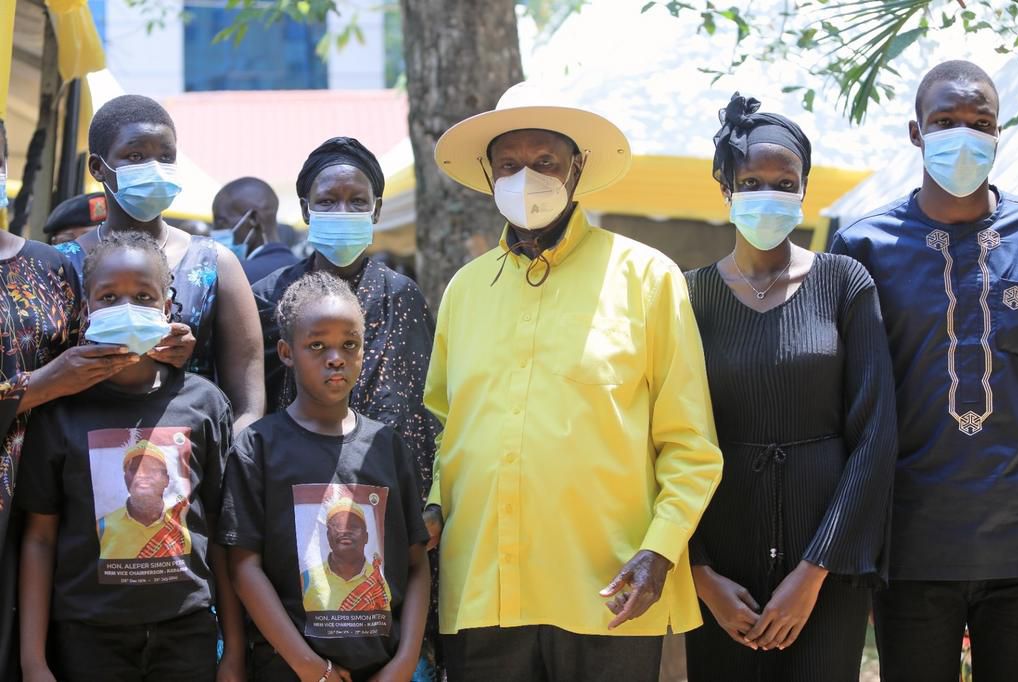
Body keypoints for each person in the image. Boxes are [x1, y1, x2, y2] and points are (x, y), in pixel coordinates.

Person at [424, 82, 722, 682]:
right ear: (488, 172)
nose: (525, 178)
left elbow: (691, 445)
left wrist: (661, 550)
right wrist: (432, 504)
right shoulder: (464, 290)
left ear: (577, 169)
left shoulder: (647, 279)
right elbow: (444, 428)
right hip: (484, 590)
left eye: (544, 163)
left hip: (610, 590)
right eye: (509, 165)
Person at [683, 93, 898, 682]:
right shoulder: (686, 296)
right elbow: (663, 438)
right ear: (725, 186)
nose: (769, 194)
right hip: (721, 570)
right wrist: (701, 575)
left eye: (786, 181)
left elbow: (875, 435)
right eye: (752, 180)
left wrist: (814, 572)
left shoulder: (844, 281)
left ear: (805, 188)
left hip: (827, 566)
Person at [832, 60, 1018, 681]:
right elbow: (839, 403)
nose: (963, 134)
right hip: (912, 551)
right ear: (916, 133)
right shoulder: (863, 247)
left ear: (1000, 132)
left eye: (980, 122)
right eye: (945, 121)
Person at [17, 231, 244, 681]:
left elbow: (220, 532)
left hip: (187, 633)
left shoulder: (205, 404)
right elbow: (40, 539)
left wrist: (234, 649)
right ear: (86, 309)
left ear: (166, 308)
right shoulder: (60, 411)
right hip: (86, 638)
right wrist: (33, 661)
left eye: (143, 296)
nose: (126, 307)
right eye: (108, 296)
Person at [219, 271, 430, 682]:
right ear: (285, 352)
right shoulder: (258, 448)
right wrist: (310, 666)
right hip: (290, 671)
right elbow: (244, 567)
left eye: (348, 345)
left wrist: (404, 663)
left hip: (380, 670)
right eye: (317, 345)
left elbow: (417, 563)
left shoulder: (386, 446)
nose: (335, 357)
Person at [0, 119, 146, 680]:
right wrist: (37, 387)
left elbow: (95, 373)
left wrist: (158, 347)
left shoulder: (54, 267)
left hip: (54, 514)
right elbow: (59, 378)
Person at [57, 94, 265, 432]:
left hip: (191, 464)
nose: (154, 168)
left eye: (165, 156)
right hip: (80, 462)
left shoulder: (215, 263)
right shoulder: (61, 266)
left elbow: (249, 405)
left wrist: (225, 474)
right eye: (136, 156)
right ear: (97, 168)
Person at [253, 137, 439, 498]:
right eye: (327, 201)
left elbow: (424, 410)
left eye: (357, 202)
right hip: (292, 486)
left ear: (376, 209)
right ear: (306, 211)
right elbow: (254, 401)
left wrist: (424, 507)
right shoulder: (268, 296)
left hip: (382, 487)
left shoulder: (401, 296)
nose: (342, 211)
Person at [98, 440, 191, 560]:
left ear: (166, 479)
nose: (141, 475)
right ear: (125, 478)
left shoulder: (183, 519)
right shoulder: (102, 526)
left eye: (152, 469)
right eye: (134, 469)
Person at [301, 498, 392, 613]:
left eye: (353, 526)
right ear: (328, 536)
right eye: (337, 526)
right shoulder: (307, 578)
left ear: (366, 537)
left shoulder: (378, 581)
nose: (345, 531)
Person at [212, 177, 298, 284]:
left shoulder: (233, 275)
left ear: (253, 219)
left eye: (221, 222)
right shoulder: (307, 270)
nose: (214, 232)